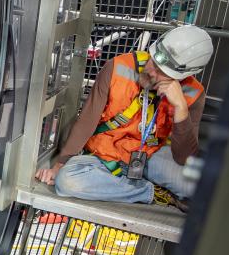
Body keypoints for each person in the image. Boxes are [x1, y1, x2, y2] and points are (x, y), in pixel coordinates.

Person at [35, 25, 214, 211]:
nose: (152, 72)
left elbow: (185, 157)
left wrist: (181, 109)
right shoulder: (118, 66)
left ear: (182, 77)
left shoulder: (193, 93)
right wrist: (60, 164)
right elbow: (87, 120)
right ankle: (152, 193)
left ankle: (121, 184)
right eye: (154, 61)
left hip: (152, 154)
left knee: (200, 188)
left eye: (163, 73)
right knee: (67, 181)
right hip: (106, 153)